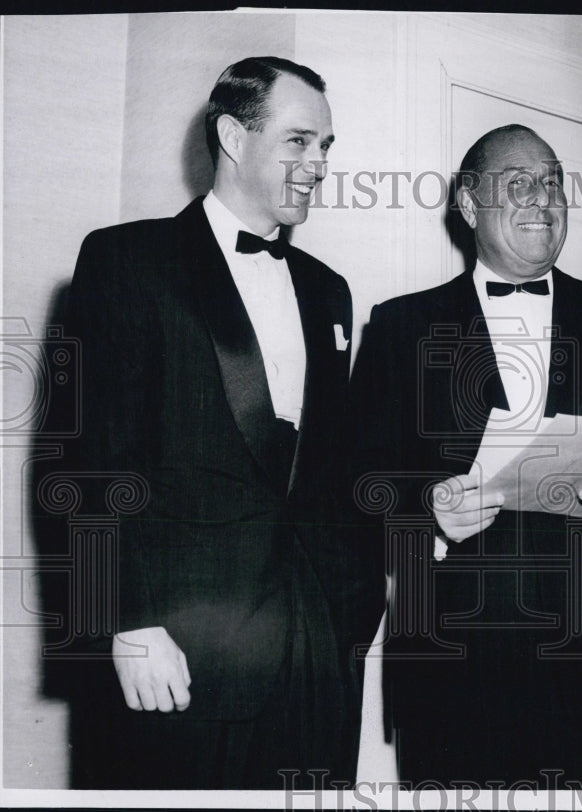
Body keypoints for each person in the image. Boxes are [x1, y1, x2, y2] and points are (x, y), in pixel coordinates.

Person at [59, 56, 383, 789]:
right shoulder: (127, 259)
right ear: (234, 137)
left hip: (317, 650)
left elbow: (329, 469)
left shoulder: (328, 290)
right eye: (299, 141)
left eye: (326, 146)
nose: (319, 164)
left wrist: (354, 616)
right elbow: (88, 460)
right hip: (180, 649)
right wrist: (124, 621)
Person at [348, 124, 582, 787]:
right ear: (468, 205)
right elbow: (357, 483)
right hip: (448, 668)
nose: (542, 199)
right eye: (519, 183)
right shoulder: (400, 326)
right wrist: (429, 516)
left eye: (552, 183)